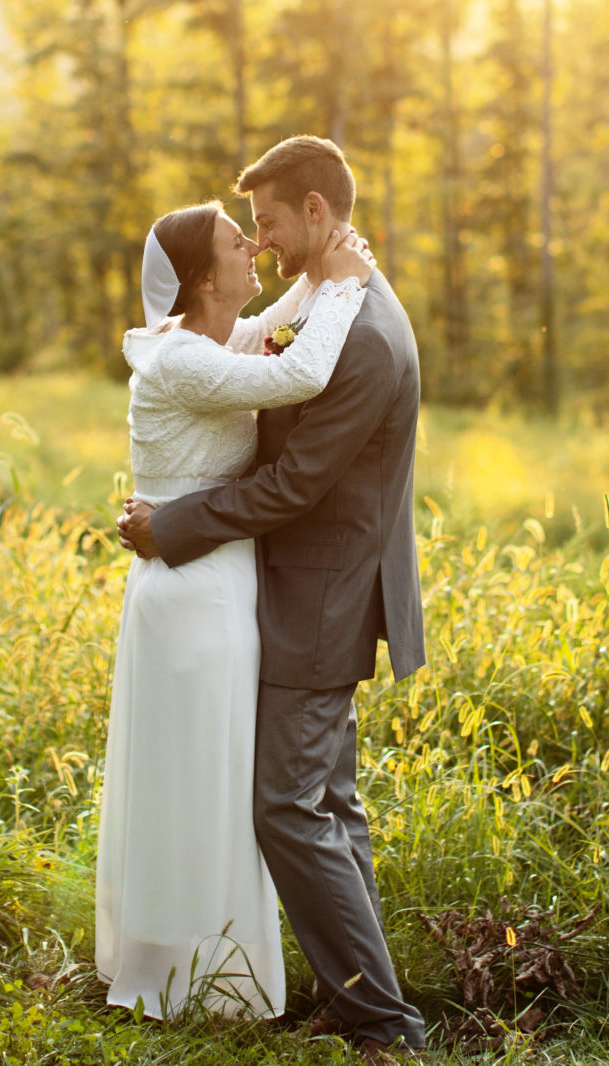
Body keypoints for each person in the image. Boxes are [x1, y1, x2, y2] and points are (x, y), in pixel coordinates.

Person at [117, 135, 428, 1060]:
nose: (259, 242)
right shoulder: (340, 303)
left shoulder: (362, 336)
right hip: (292, 590)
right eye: (245, 232)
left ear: (316, 213)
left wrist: (173, 523)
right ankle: (356, 994)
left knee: (289, 809)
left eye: (267, 222)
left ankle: (383, 1023)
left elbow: (293, 484)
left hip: (319, 599)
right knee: (325, 802)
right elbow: (270, 347)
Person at [95, 196, 376, 1022]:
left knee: (214, 770)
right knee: (197, 774)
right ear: (202, 278)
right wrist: (347, 286)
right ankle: (187, 970)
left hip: (214, 577)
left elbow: (274, 326)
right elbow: (298, 373)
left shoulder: (213, 340)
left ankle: (202, 961)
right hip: (193, 594)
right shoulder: (184, 360)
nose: (252, 245)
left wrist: (328, 263)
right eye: (235, 240)